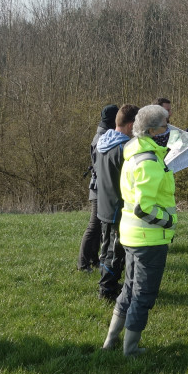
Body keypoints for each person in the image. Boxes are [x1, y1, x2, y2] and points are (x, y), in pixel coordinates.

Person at [102, 104, 178, 356]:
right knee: (143, 295)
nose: (168, 130)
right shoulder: (148, 161)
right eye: (165, 126)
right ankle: (130, 350)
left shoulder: (135, 151)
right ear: (152, 130)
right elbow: (144, 208)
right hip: (149, 238)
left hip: (132, 235)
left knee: (129, 289)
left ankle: (111, 342)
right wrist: (168, 221)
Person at [93, 104, 138, 301]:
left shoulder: (103, 142)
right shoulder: (123, 148)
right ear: (130, 126)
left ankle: (108, 282)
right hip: (117, 207)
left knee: (107, 248)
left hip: (103, 204)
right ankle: (108, 290)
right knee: (115, 251)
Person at [79, 105, 118, 272]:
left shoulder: (103, 135)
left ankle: (93, 260)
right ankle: (82, 263)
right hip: (98, 188)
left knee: (99, 226)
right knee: (94, 226)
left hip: (101, 187)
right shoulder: (101, 138)